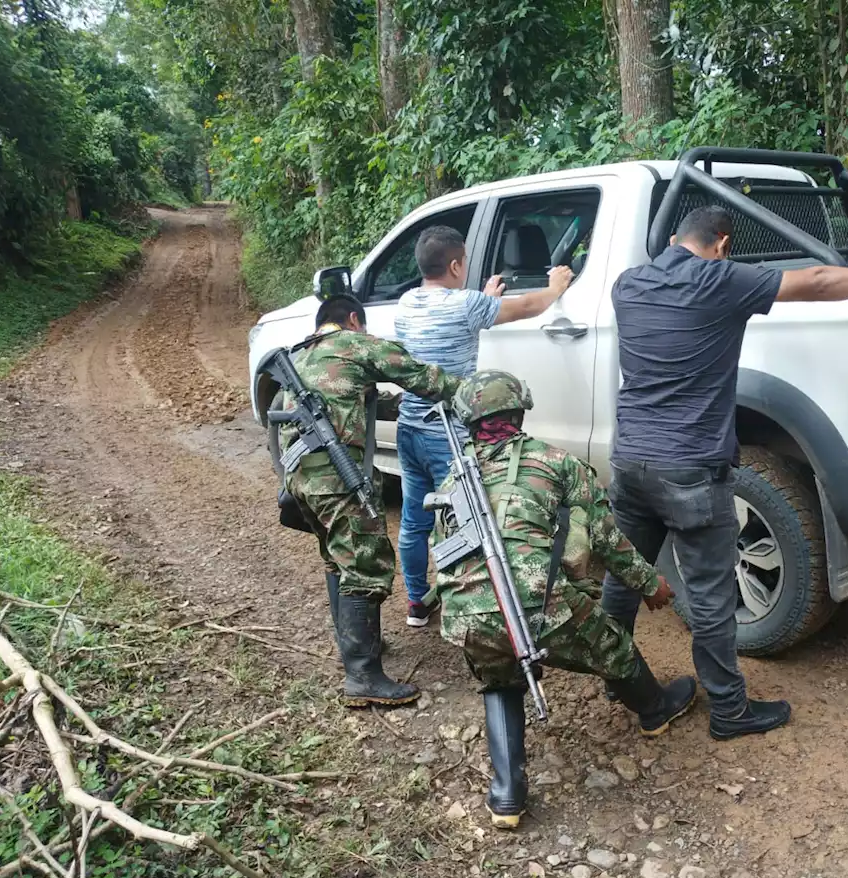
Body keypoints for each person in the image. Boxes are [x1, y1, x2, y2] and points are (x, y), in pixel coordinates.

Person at [600, 205, 848, 740]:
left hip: (630, 461)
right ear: (723, 244)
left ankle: (617, 677)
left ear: (672, 239)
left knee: (621, 576)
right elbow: (819, 279)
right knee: (709, 594)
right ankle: (730, 711)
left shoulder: (627, 284)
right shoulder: (720, 280)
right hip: (689, 467)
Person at [432, 370, 693, 829]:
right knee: (610, 642)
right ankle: (655, 710)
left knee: (499, 677)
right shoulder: (555, 461)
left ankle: (507, 796)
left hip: (465, 613)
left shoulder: (456, 478)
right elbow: (607, 537)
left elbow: (443, 550)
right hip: (537, 604)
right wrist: (650, 584)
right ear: (519, 410)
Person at [279, 294, 464, 708]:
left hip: (301, 479)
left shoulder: (301, 356)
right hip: (335, 475)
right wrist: (473, 392)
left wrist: (394, 405)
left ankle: (357, 648)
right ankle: (362, 675)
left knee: (338, 559)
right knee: (365, 563)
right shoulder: (354, 343)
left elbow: (345, 397)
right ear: (353, 320)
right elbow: (421, 375)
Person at [394, 225, 574, 629]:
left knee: (414, 520)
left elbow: (460, 314)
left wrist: (484, 300)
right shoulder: (466, 305)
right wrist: (556, 285)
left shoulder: (407, 303)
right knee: (465, 520)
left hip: (409, 429)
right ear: (457, 265)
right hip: (449, 436)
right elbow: (529, 306)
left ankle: (417, 603)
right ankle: (469, 607)